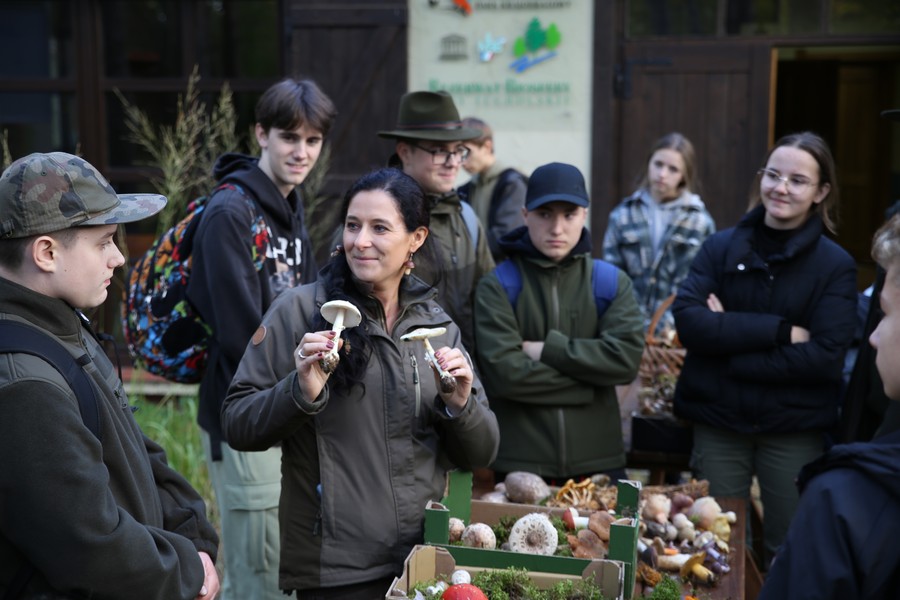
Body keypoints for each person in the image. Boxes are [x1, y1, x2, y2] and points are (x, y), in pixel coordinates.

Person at [221, 168, 500, 599]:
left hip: (422, 564)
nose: (360, 241)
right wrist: (300, 391)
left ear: (416, 238)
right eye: (353, 225)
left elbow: (482, 452)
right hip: (337, 570)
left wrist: (461, 406)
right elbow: (237, 422)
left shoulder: (437, 326)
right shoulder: (299, 313)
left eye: (380, 228)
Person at [0, 152, 219, 599]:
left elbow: (135, 449)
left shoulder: (64, 327)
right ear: (46, 252)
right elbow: (89, 546)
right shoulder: (23, 382)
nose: (118, 258)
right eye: (102, 242)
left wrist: (193, 537)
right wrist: (184, 571)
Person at [672, 131, 858, 565]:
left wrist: (727, 347)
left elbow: (825, 357)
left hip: (793, 429)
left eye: (798, 180)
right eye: (773, 174)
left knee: (790, 549)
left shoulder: (835, 266)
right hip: (720, 422)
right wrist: (780, 331)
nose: (781, 188)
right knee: (715, 547)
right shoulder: (720, 247)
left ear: (821, 192)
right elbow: (690, 323)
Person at [186, 78, 336, 600]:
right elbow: (239, 334)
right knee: (255, 574)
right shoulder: (232, 212)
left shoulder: (288, 208)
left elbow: (312, 308)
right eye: (289, 137)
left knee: (277, 568)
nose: (301, 152)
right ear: (261, 134)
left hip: (285, 408)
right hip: (245, 411)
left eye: (313, 141)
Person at [758, 214, 900, 599]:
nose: (872, 337)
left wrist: (740, 335)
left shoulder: (843, 502)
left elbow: (822, 355)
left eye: (885, 314)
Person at [474, 162, 644, 483]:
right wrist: (590, 385)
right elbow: (506, 376)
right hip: (520, 468)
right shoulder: (498, 286)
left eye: (569, 214)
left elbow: (625, 361)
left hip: (600, 464)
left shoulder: (609, 283)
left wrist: (549, 350)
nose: (557, 228)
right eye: (545, 214)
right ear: (525, 215)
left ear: (584, 215)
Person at [377, 90, 495, 356]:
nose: (453, 162)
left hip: (459, 377)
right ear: (405, 153)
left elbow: (489, 307)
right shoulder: (372, 223)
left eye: (458, 151)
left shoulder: (466, 218)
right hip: (399, 383)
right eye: (440, 151)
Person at [602, 132, 715, 335]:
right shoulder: (623, 215)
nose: (662, 174)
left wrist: (670, 325)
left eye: (673, 169)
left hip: (677, 333)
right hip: (625, 327)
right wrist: (624, 319)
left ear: (684, 174)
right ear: (649, 163)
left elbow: (701, 282)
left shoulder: (699, 222)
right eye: (658, 164)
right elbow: (611, 275)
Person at [458, 116, 528, 262]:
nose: (461, 161)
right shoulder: (466, 189)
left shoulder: (512, 184)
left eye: (467, 152)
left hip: (504, 278)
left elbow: (506, 237)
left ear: (487, 147)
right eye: (458, 153)